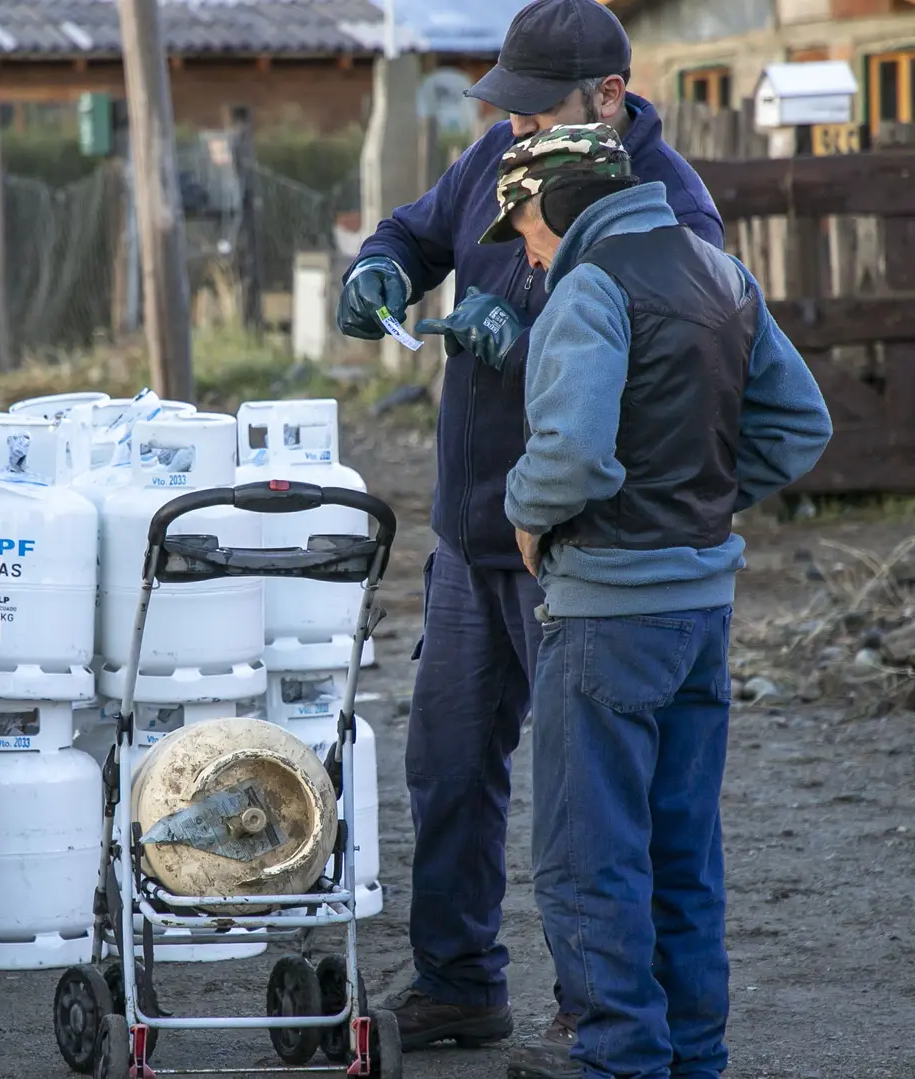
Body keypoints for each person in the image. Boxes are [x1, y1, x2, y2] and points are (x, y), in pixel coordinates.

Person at [338, 0, 723, 1057]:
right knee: (449, 768)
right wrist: (382, 265)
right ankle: (459, 981)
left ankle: (594, 1011)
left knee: (588, 811)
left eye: (533, 109)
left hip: (578, 550)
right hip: (470, 535)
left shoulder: (674, 209)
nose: (513, 128)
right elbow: (417, 229)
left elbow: (682, 368)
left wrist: (537, 333)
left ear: (609, 96)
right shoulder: (493, 158)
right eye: (503, 109)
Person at [466, 124, 831, 1079]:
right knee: (683, 850)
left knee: (590, 855)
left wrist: (524, 516)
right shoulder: (722, 274)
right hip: (701, 610)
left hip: (605, 614)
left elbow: (576, 454)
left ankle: (621, 1057)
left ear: (551, 203)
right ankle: (693, 1055)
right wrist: (697, 495)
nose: (528, 254)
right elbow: (801, 426)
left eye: (524, 231)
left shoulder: (590, 287)